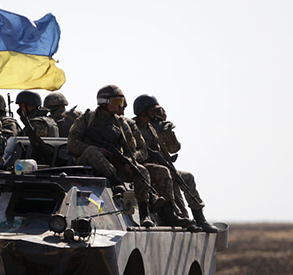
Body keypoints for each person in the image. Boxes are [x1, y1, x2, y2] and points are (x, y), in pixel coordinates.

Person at [67, 85, 162, 227]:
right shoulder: (87, 119)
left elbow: (134, 148)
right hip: (87, 164)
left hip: (114, 163)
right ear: (103, 102)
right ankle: (117, 182)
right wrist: (98, 149)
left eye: (121, 102)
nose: (119, 106)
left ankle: (144, 214)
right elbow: (72, 143)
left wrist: (130, 161)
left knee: (141, 170)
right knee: (92, 151)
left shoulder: (121, 124)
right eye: (115, 102)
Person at [133, 94, 217, 233]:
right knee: (168, 177)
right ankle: (177, 215)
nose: (157, 114)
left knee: (187, 177)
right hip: (146, 168)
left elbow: (174, 148)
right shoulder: (132, 127)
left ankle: (199, 217)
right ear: (143, 111)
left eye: (158, 111)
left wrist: (167, 132)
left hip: (163, 166)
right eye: (153, 111)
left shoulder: (153, 128)